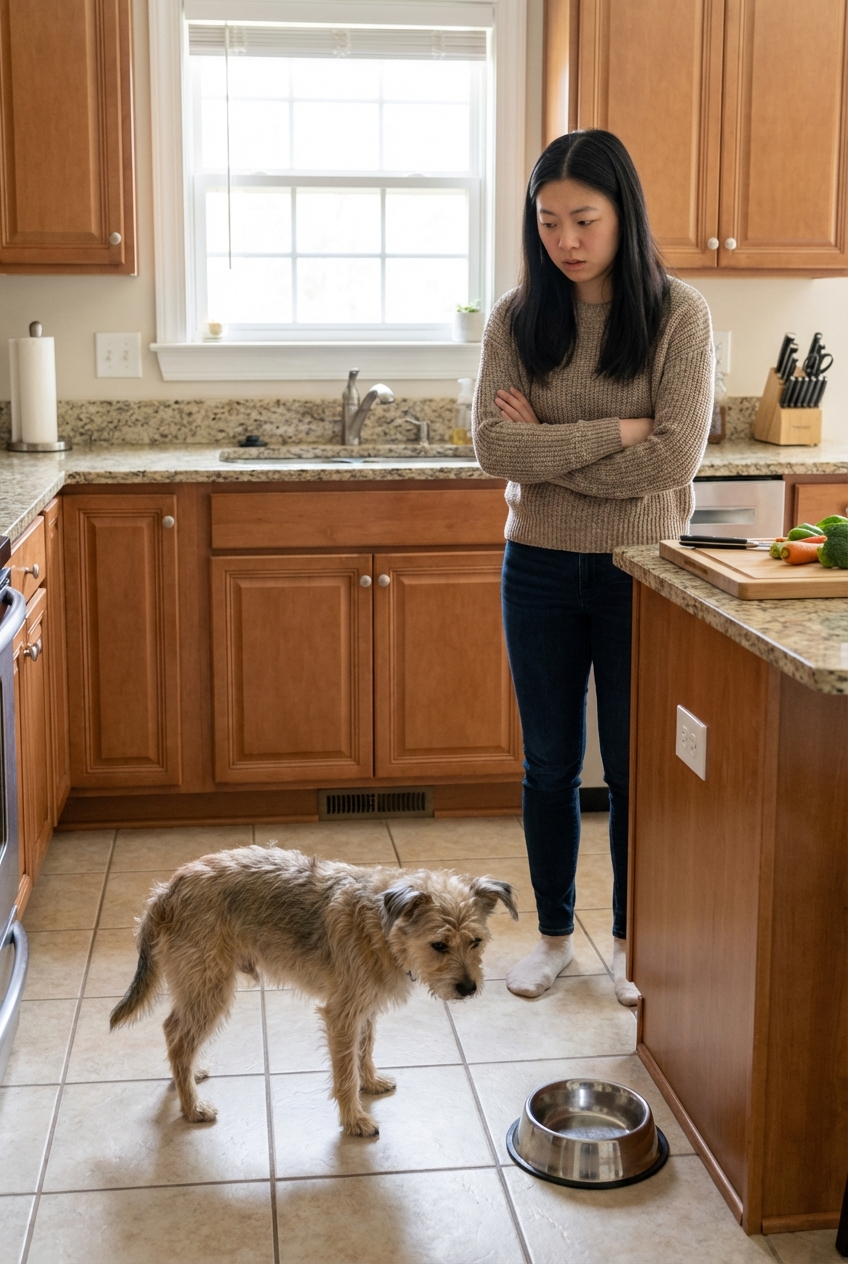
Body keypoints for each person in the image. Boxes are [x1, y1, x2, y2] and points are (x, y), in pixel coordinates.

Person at [472, 129, 714, 1005]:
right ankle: (551, 937)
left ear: (623, 215)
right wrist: (616, 431)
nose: (565, 241)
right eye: (548, 222)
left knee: (634, 766)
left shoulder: (680, 315)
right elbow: (491, 446)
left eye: (584, 219)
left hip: (641, 570)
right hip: (535, 566)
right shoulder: (515, 317)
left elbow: (677, 457)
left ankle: (631, 940)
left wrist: (547, 447)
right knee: (548, 764)